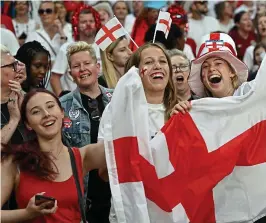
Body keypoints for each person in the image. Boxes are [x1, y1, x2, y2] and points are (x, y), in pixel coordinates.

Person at [1, 88, 106, 223]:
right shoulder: (15, 161)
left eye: (50, 106)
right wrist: (27, 213)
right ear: (28, 124)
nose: (46, 114)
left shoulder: (81, 156)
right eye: (36, 112)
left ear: (62, 112)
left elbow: (123, 146)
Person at [59, 41, 113, 223]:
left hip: (117, 193)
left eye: (87, 63)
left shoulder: (118, 98)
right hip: (82, 197)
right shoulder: (60, 106)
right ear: (70, 74)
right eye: (76, 66)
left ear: (98, 67)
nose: (82, 69)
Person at [50, 5, 102, 96]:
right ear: (76, 24)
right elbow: (54, 78)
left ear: (96, 23)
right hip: (74, 101)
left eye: (91, 21)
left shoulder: (103, 47)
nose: (88, 24)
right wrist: (63, 102)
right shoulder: (67, 48)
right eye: (83, 22)